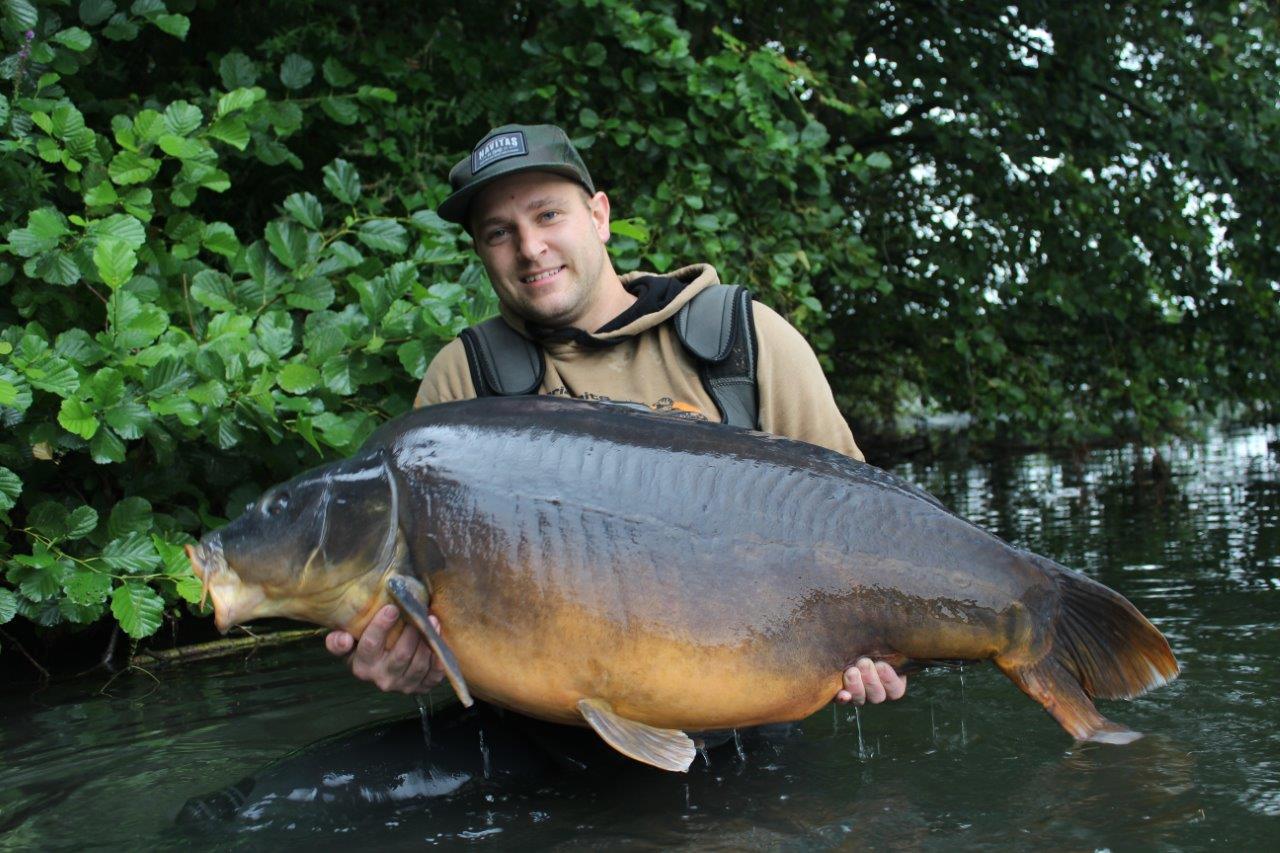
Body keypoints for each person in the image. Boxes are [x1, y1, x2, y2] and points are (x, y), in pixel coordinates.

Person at [324, 123, 906, 711]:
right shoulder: (464, 384)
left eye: (548, 215)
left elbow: (864, 527)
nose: (529, 248)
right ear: (481, 251)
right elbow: (426, 610)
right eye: (500, 232)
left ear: (599, 216)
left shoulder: (744, 344)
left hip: (746, 710)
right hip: (542, 728)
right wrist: (411, 659)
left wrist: (879, 647)